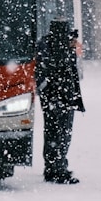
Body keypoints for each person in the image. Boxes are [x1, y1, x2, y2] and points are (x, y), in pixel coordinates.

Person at [35, 20, 85, 184]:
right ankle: (59, 168)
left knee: (50, 131)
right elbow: (69, 71)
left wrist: (45, 90)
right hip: (64, 97)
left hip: (50, 97)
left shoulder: (44, 43)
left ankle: (50, 167)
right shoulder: (64, 45)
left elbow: (40, 70)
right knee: (63, 133)